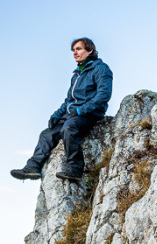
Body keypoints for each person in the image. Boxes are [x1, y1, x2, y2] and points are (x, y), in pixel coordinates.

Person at [11, 38, 112, 182]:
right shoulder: (77, 74)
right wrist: (56, 114)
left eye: (78, 49)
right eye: (73, 50)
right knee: (46, 134)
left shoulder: (101, 68)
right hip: (71, 114)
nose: (75, 53)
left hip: (89, 114)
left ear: (90, 50)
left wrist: (80, 110)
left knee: (68, 129)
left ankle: (75, 170)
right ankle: (32, 168)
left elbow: (103, 95)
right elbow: (69, 100)